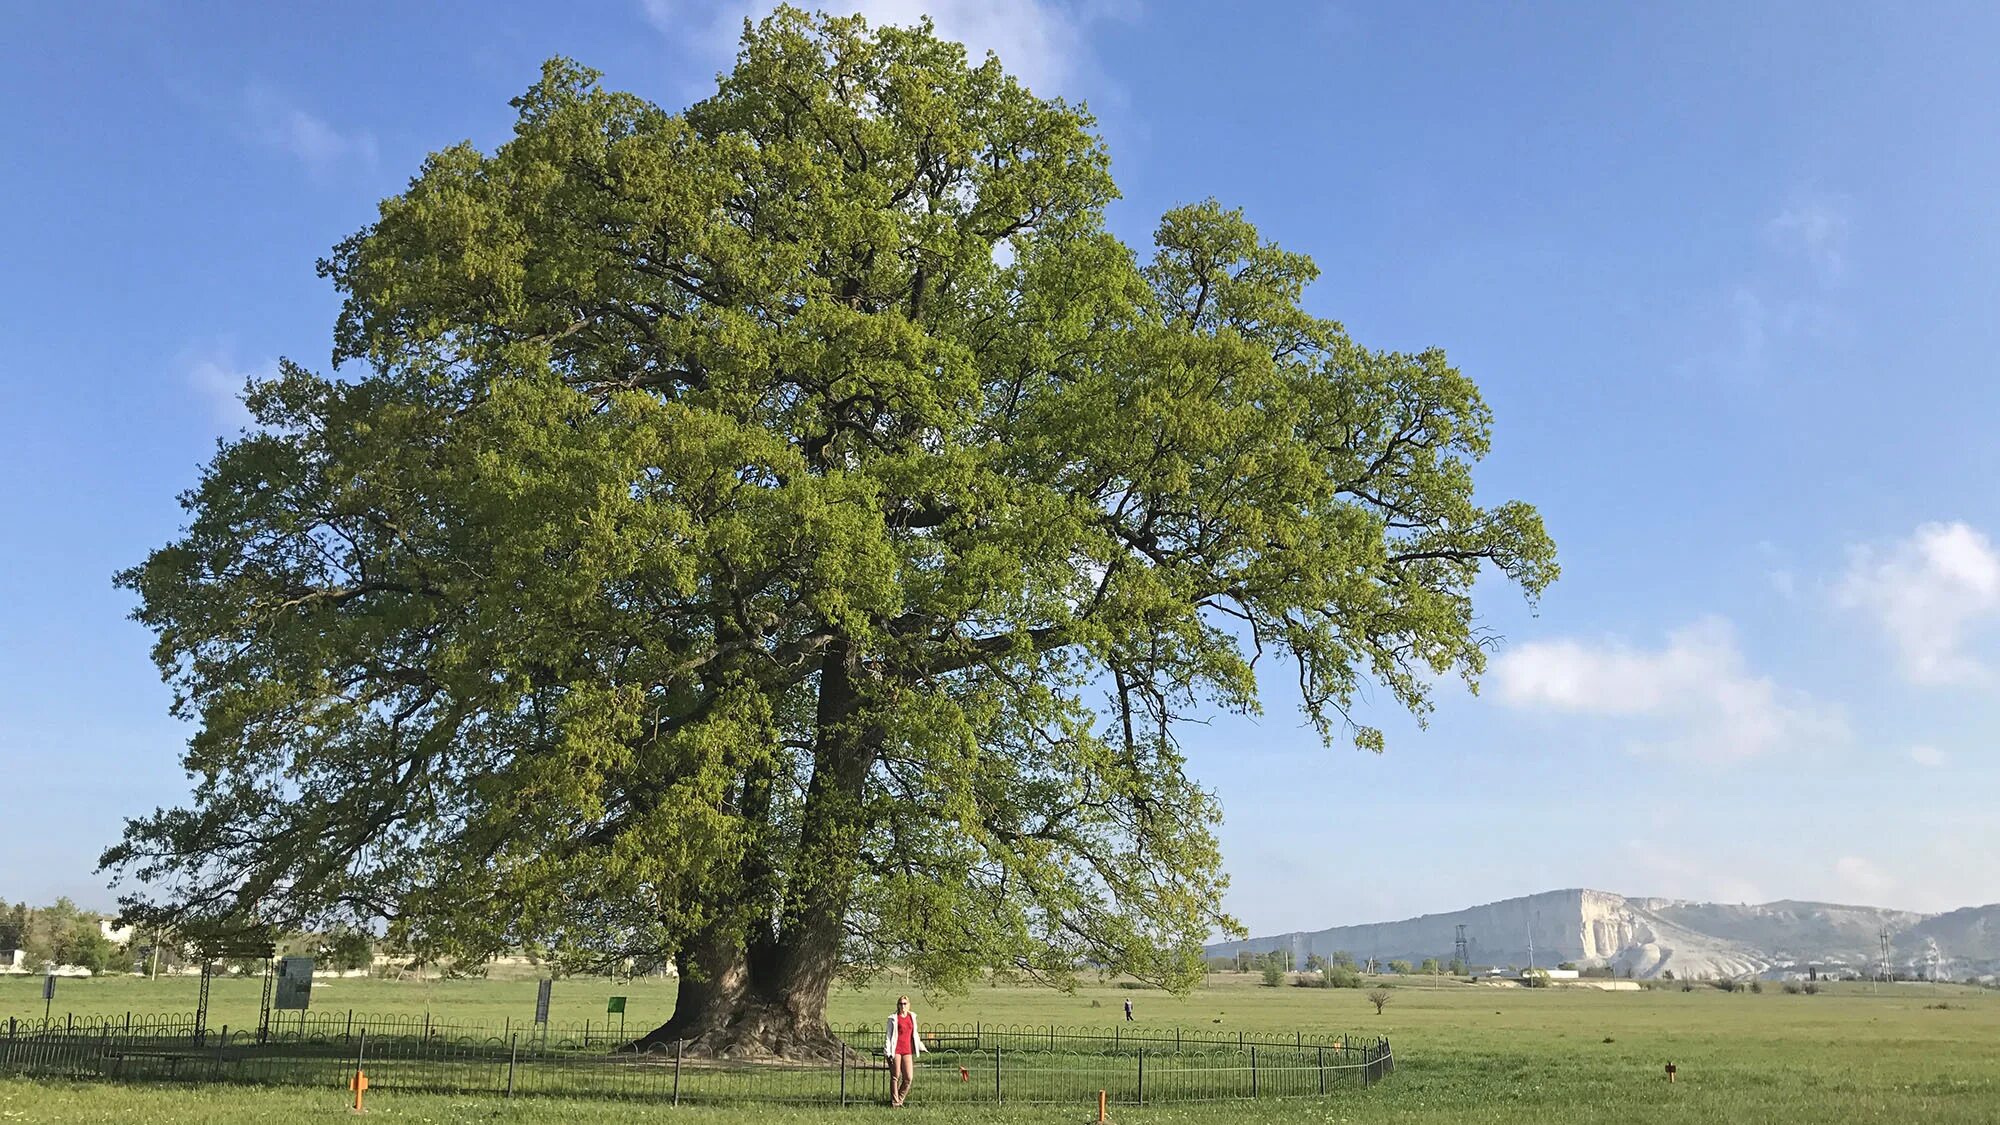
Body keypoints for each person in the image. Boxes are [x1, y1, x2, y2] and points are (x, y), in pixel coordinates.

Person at [882, 995, 924, 1106]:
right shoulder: (893, 1018)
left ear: (909, 1005)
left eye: (905, 1003)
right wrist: (887, 1051)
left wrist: (921, 1046)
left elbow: (915, 1034)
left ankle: (900, 1098)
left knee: (908, 1078)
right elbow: (889, 1035)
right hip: (896, 1050)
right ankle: (895, 1102)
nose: (903, 1006)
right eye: (901, 1003)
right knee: (895, 1076)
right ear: (898, 1005)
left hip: (907, 1050)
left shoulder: (912, 1017)